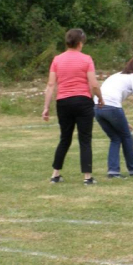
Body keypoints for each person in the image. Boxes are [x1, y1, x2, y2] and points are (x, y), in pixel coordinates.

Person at [42, 28, 104, 185]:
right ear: (79, 43)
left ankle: (55, 174)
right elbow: (94, 84)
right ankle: (87, 177)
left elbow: (50, 85)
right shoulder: (86, 59)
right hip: (83, 102)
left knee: (65, 138)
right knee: (85, 139)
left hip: (63, 102)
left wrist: (46, 107)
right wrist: (100, 98)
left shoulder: (57, 60)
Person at [94, 57, 133, 178]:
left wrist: (124, 122)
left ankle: (113, 171)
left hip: (96, 107)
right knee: (126, 137)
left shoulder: (117, 75)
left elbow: (111, 96)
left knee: (115, 138)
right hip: (111, 106)